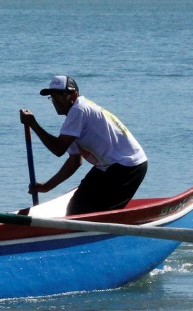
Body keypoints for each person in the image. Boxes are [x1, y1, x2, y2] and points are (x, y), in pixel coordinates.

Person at [20, 75, 149, 216]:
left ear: (73, 95)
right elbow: (74, 162)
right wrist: (47, 187)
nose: (55, 101)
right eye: (52, 97)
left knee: (96, 213)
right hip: (110, 166)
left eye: (59, 96)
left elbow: (58, 149)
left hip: (128, 166)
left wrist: (33, 124)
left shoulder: (79, 110)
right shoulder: (73, 118)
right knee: (75, 209)